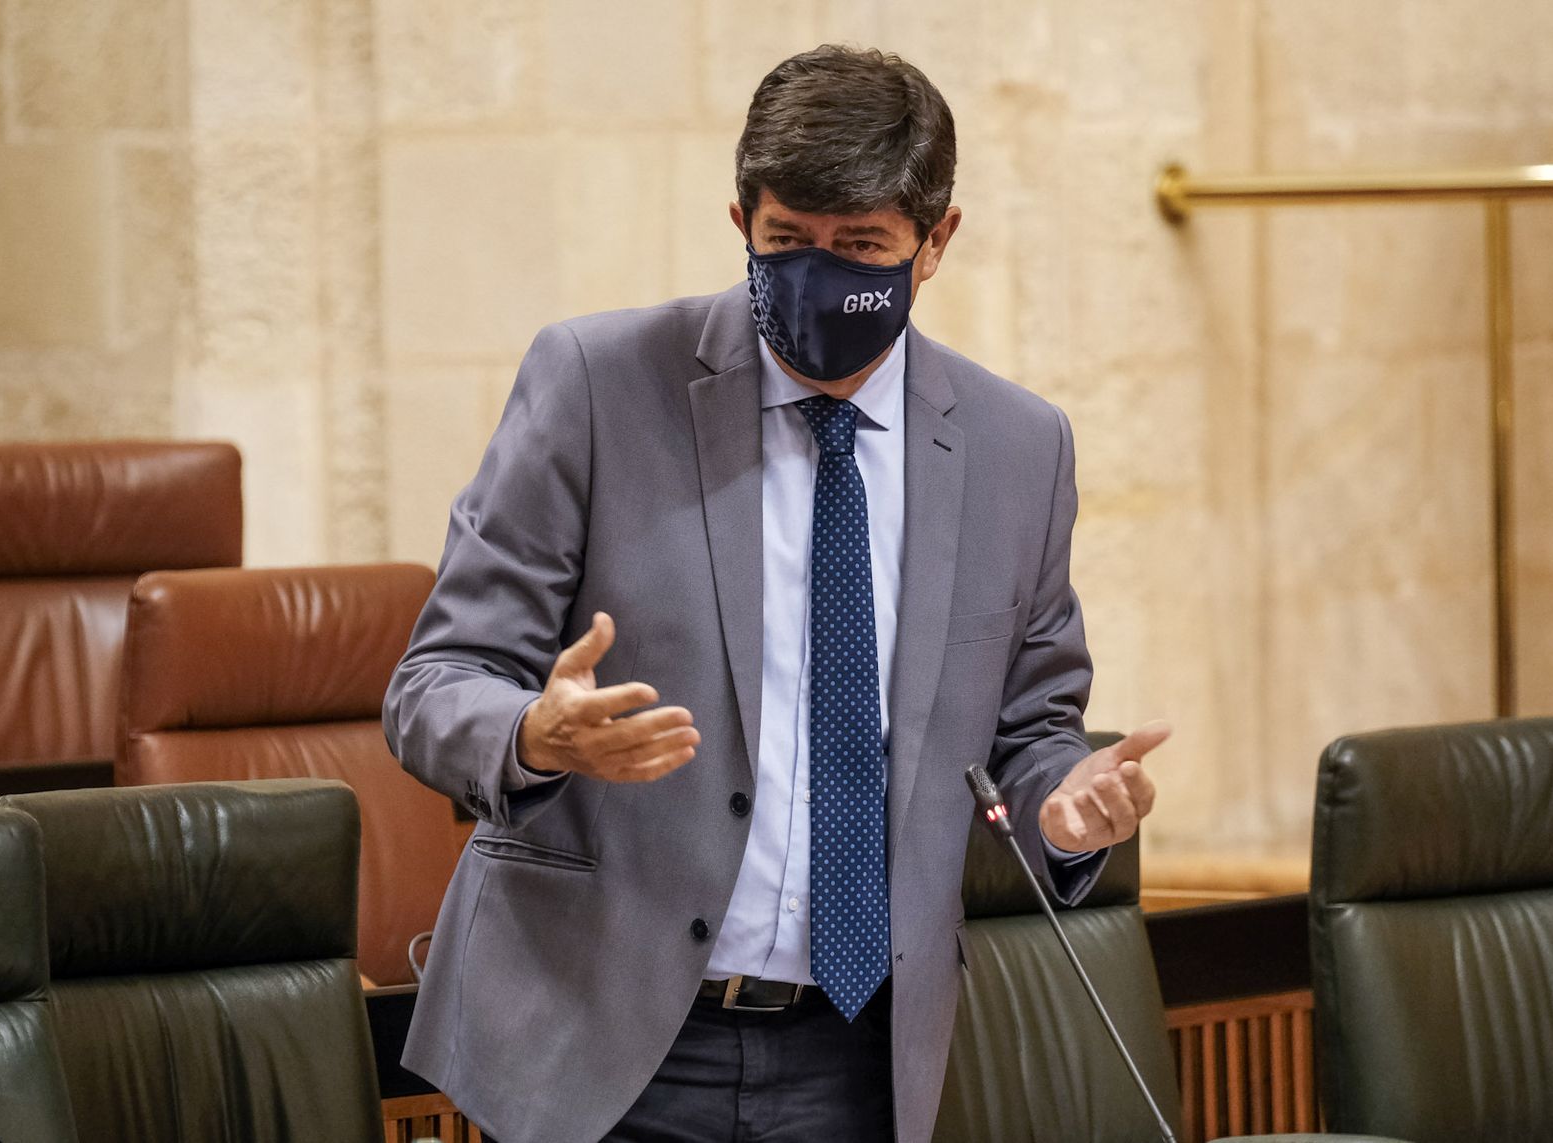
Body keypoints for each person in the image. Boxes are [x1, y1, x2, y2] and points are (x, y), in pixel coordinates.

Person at [384, 43, 1166, 1143]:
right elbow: (434, 683)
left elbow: (1030, 725)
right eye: (786, 241)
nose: (817, 274)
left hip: (857, 1055)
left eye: (859, 248)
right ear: (740, 216)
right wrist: (532, 733)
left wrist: (1062, 805)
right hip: (601, 1038)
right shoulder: (597, 385)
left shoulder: (1015, 448)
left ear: (934, 242)